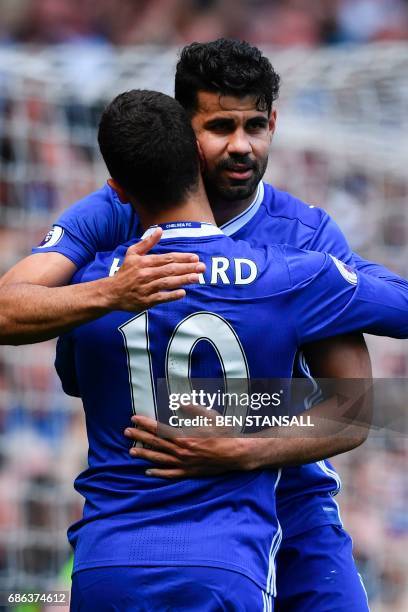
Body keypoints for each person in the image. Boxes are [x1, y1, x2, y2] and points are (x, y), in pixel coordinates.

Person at [0, 39, 404, 609]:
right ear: (182, 132)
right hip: (165, 513)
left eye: (256, 125)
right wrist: (111, 293)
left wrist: (236, 425)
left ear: (274, 123)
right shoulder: (117, 212)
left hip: (291, 497)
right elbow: (9, 308)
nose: (240, 146)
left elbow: (355, 404)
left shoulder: (306, 237)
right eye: (220, 127)